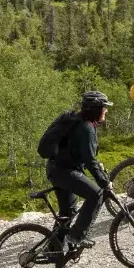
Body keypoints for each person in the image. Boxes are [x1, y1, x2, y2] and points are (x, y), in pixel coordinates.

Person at [44, 90, 113, 256]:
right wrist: (104, 182)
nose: (106, 110)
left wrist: (94, 164)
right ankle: (77, 236)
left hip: (56, 168)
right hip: (63, 172)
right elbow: (90, 161)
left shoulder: (78, 121)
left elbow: (80, 153)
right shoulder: (86, 128)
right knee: (97, 194)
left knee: (67, 212)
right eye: (104, 107)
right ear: (96, 109)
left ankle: (54, 250)